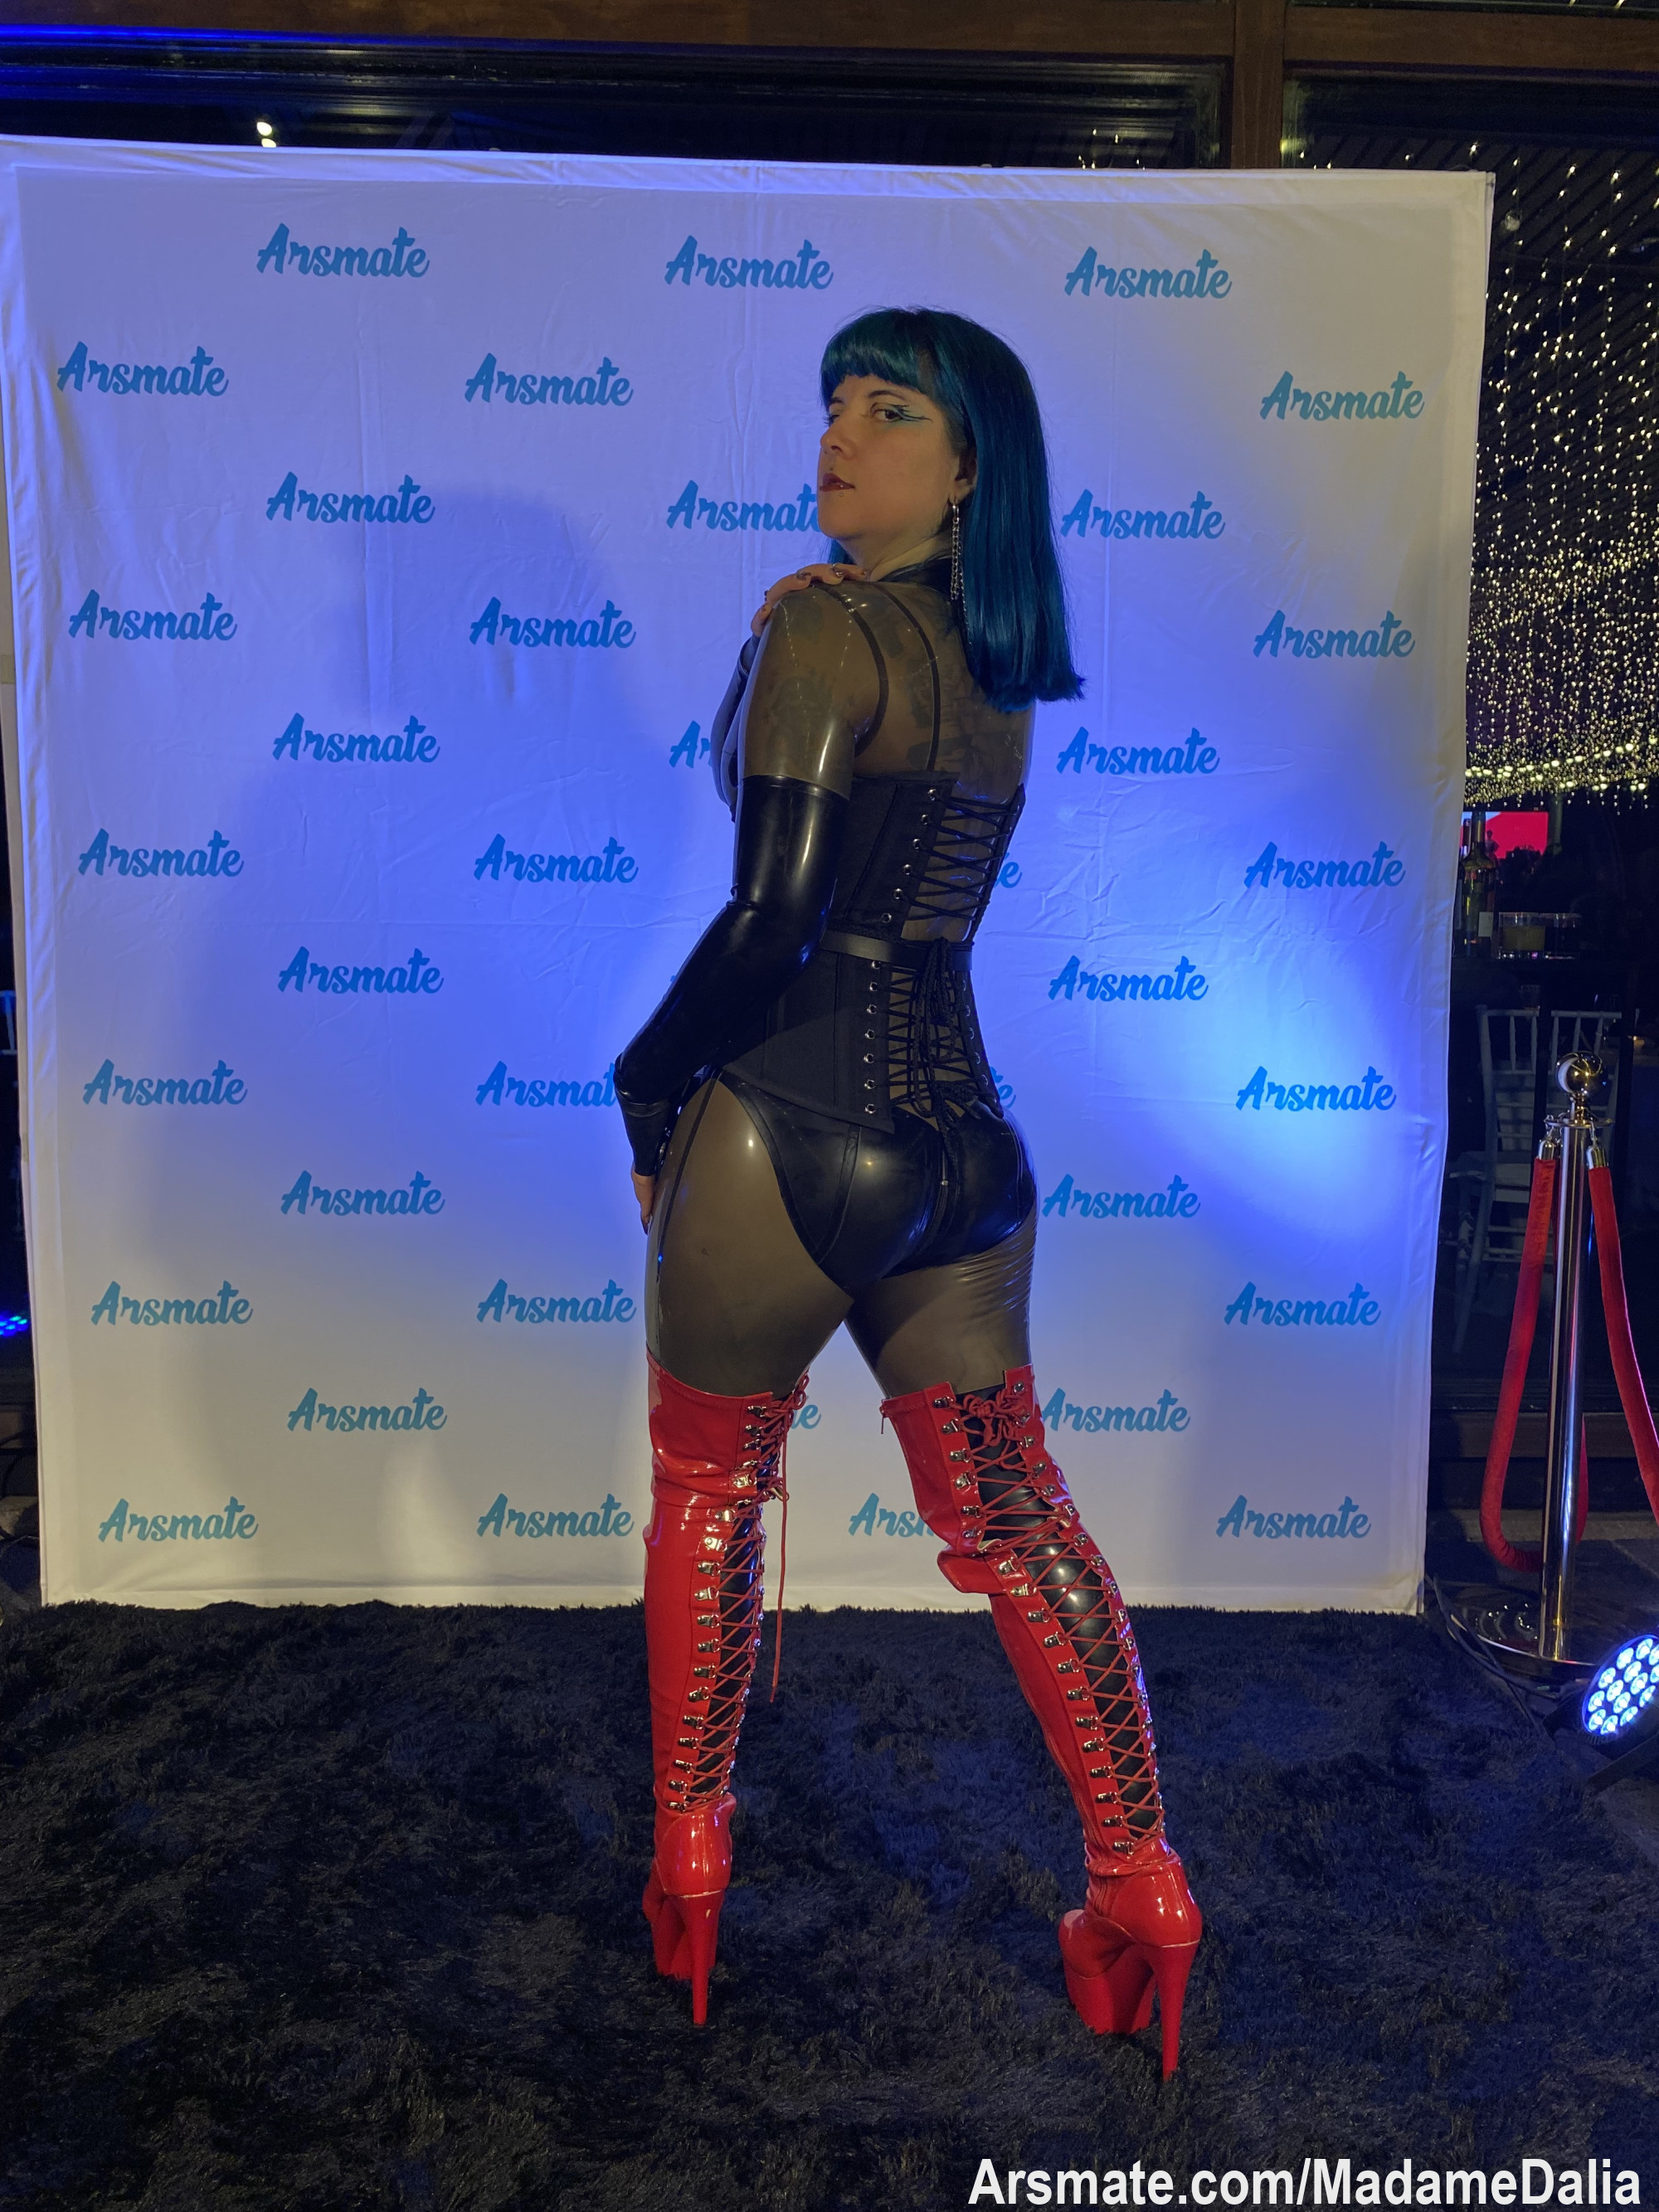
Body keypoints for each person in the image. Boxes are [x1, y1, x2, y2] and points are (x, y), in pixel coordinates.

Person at [615, 309, 1202, 2074]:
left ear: (966, 469)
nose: (839, 435)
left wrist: (642, 1083)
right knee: (1018, 1521)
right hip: (964, 1153)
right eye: (833, 404)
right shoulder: (991, 660)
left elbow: (774, 918)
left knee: (710, 1492)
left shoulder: (825, 630)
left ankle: (691, 1863)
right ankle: (1144, 1883)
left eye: (888, 411)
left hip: (788, 1126)